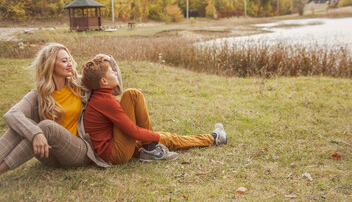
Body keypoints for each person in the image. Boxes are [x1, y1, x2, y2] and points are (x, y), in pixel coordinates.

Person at [0, 43, 121, 176]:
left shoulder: (80, 85)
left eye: (69, 60)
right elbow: (12, 114)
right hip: (50, 155)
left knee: (46, 127)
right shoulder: (39, 95)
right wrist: (35, 133)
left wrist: (110, 61)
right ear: (50, 64)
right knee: (22, 126)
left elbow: (116, 89)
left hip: (79, 151)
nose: (70, 64)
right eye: (64, 61)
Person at [81, 57, 228, 164]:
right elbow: (132, 130)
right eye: (111, 72)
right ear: (104, 81)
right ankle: (151, 149)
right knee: (132, 94)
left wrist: (155, 136)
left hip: (117, 144)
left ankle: (214, 137)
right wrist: (154, 136)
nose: (115, 72)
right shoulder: (104, 101)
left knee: (169, 138)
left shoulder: (103, 97)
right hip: (115, 153)